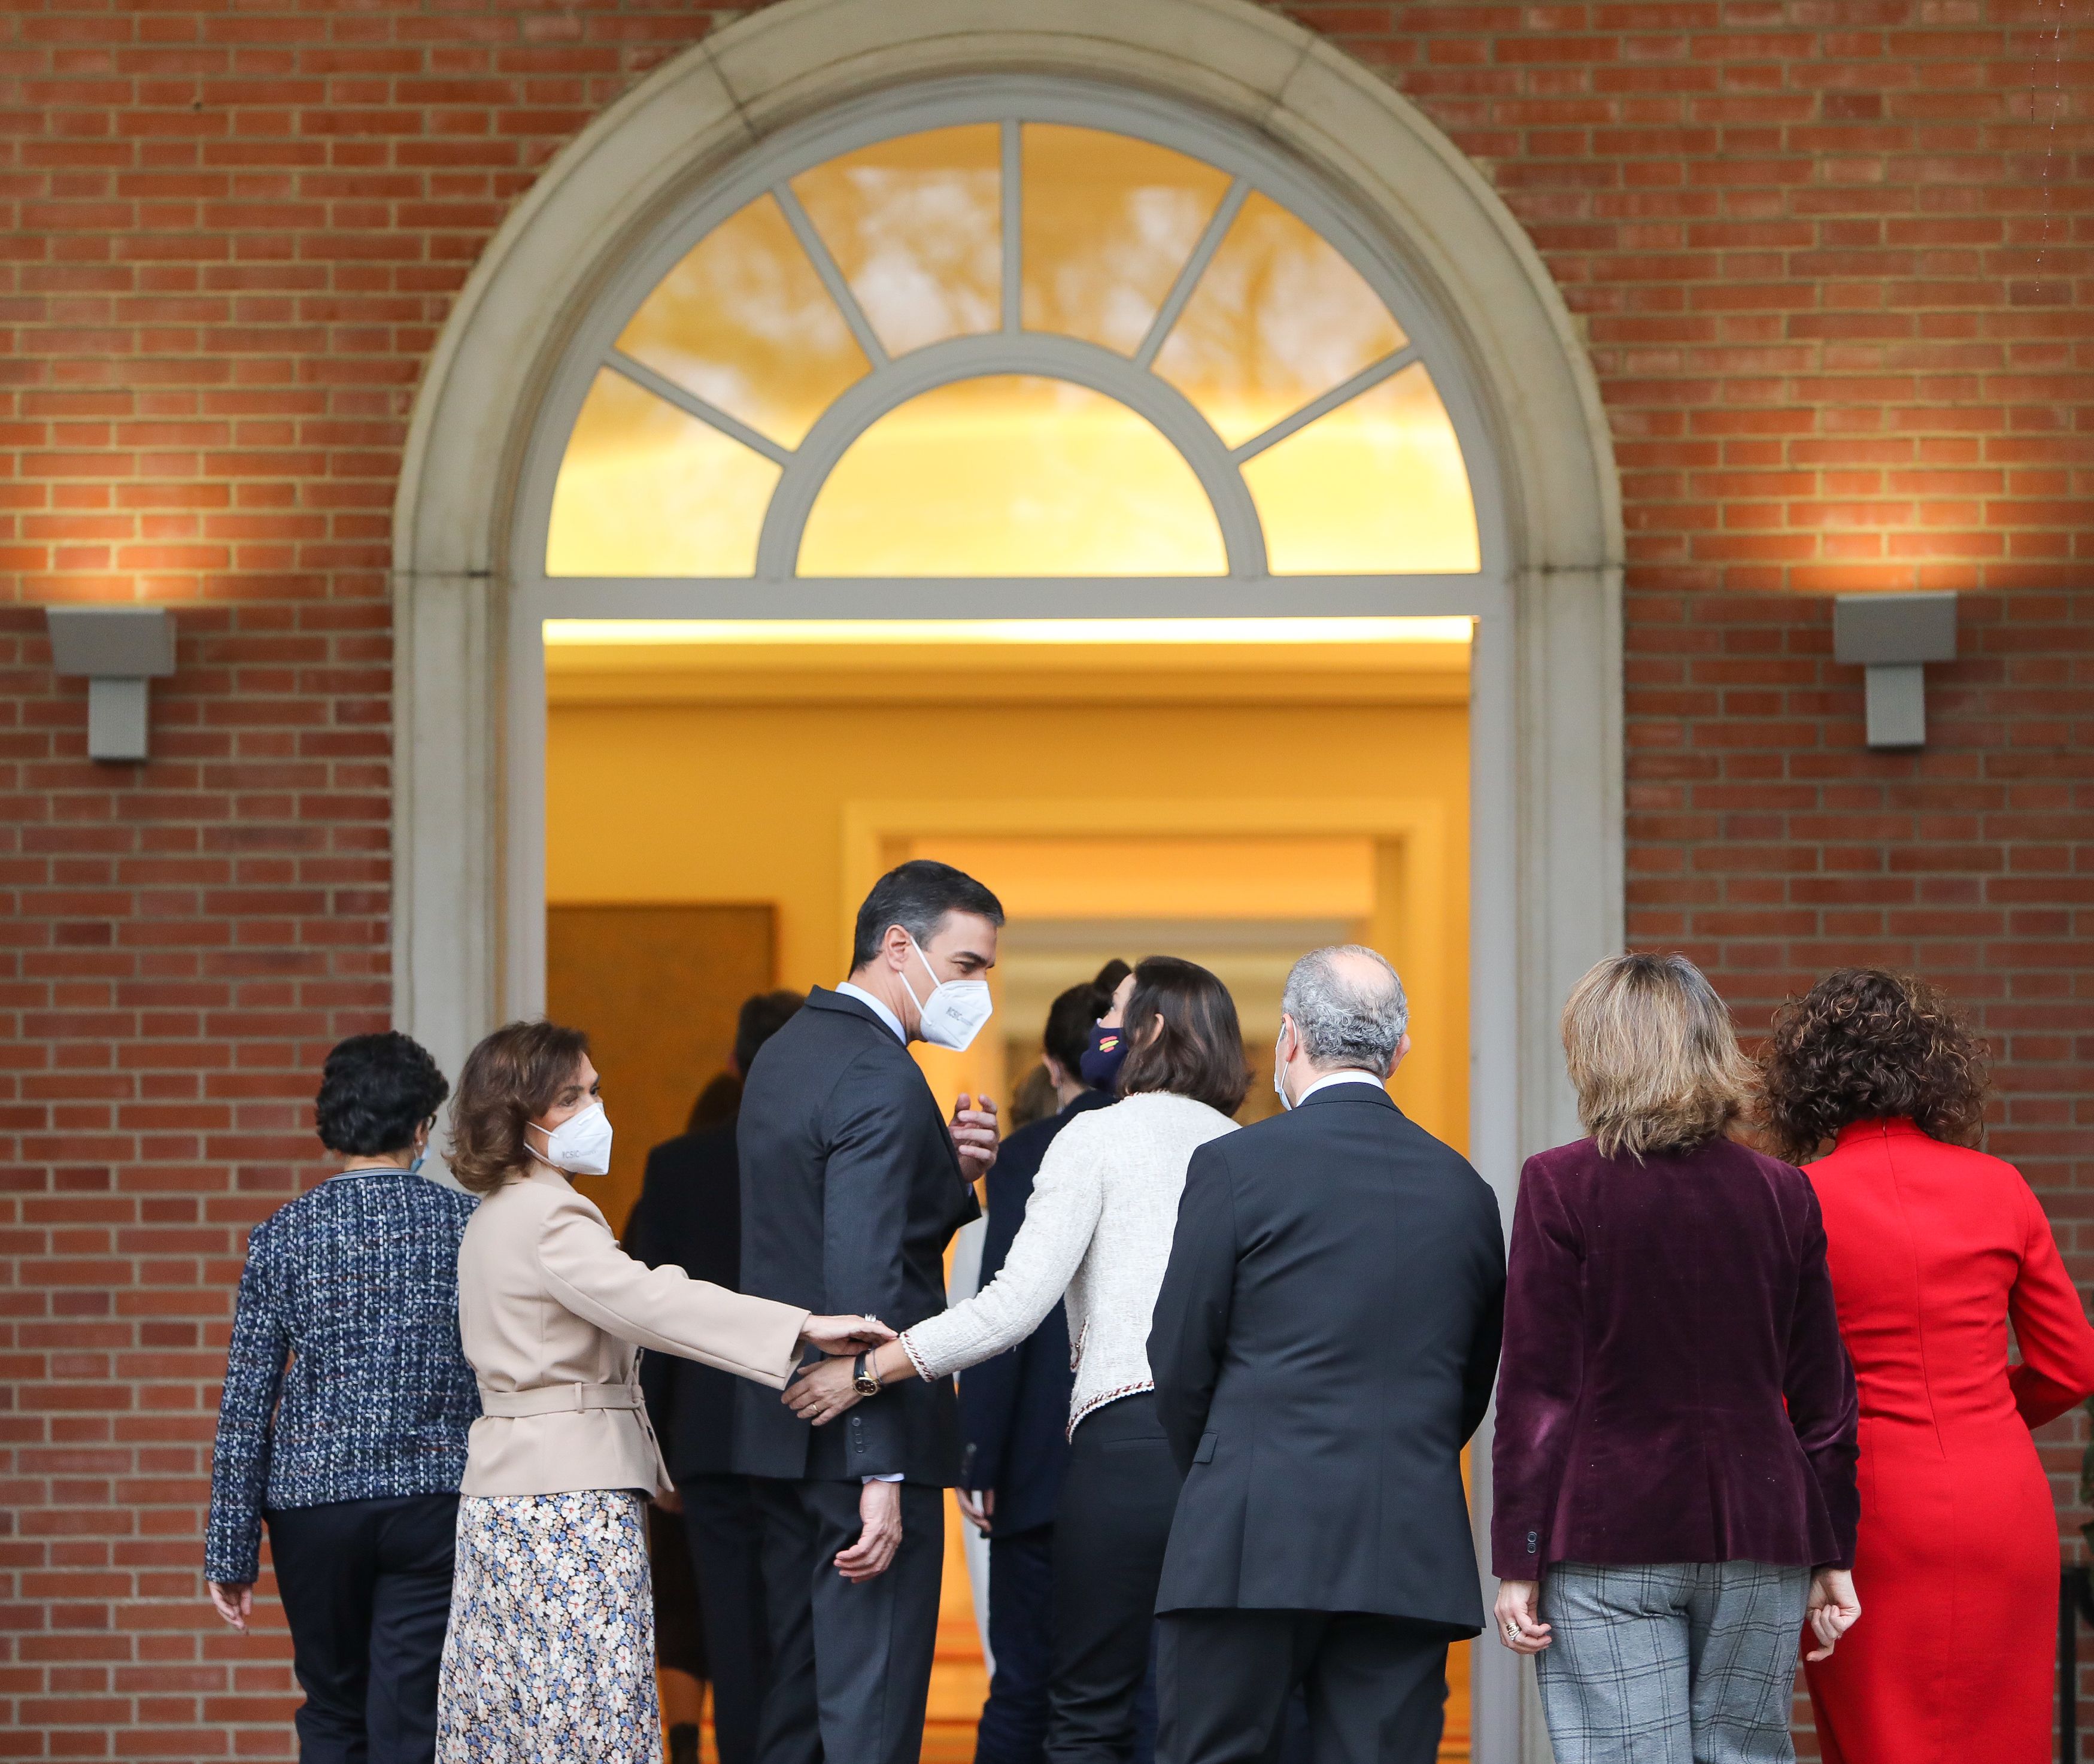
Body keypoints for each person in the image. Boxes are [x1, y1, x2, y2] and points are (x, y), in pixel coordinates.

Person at [788, 955, 1246, 1764]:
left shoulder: (1094, 1133)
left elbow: (1011, 1305)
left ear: (1151, 1030)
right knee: (1203, 1712)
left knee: (1086, 1714)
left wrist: (869, 1368)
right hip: (1235, 1457)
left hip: (1129, 1439)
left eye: (1118, 1011)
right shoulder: (1245, 1148)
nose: (1102, 1025)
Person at [431, 1019, 888, 1764]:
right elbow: (653, 1303)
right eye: (571, 1097)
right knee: (592, 1718)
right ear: (518, 1118)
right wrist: (802, 1326)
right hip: (568, 1497)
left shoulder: (497, 1214)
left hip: (505, 1490)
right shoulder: (552, 1215)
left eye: (593, 1089)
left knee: (516, 1719)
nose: (593, 1109)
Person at [1492, 952, 1863, 1764]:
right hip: (1760, 1531)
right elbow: (1824, 1395)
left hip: (1606, 1531)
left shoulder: (1558, 1184)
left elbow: (1537, 1392)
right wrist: (1832, 1547)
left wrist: (1517, 1554)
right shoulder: (1782, 1192)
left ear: (1595, 1052)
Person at [1144, 946, 1504, 1764]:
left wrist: (1221, 1464)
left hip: (1245, 1531)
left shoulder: (1235, 1164)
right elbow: (1468, 1382)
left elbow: (1178, 1352)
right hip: (1403, 1541)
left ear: (1288, 1038)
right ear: (1400, 1049)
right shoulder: (1465, 1190)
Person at [1763, 968, 2094, 1764]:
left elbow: (1768, 1383)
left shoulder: (1792, 1198)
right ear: (1931, 1068)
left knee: (1882, 1740)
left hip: (1869, 1509)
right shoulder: (2000, 1185)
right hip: (2000, 1501)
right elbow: (2071, 1364)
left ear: (1810, 1083)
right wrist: (1982, 1405)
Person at [733, 861, 1006, 1764]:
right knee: (871, 1710)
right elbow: (865, 1276)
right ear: (899, 945)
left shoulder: (789, 1051)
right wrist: (880, 1472)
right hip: (859, 1432)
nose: (976, 991)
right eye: (966, 964)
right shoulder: (881, 1074)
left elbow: (819, 1226)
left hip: (779, 1431)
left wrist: (949, 1177)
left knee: (800, 1707)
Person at [204, 1031, 474, 1764]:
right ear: (422, 1125)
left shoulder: (281, 1236)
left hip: (313, 1509)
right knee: (412, 1707)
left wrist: (230, 1551)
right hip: (435, 1499)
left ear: (334, 1124)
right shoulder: (468, 1226)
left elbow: (246, 1401)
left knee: (331, 1705)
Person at [625, 988, 808, 1764]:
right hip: (809, 1424)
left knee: (732, 1636)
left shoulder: (675, 1166)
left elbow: (646, 1319)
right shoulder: (825, 1162)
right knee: (804, 1633)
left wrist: (653, 1446)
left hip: (704, 1439)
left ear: (733, 1065)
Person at [958, 967, 1126, 1764]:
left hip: (1038, 1455)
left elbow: (1007, 1309)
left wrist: (979, 1454)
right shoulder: (1203, 1140)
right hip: (1152, 1455)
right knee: (1143, 1681)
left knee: (1026, 1681)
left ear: (1054, 1066)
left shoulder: (1028, 1152)